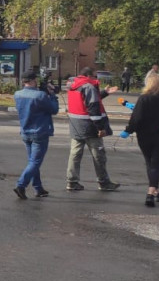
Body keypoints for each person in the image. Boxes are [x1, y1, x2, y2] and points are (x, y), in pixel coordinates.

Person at [120, 73, 159, 206]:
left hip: (144, 135)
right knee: (156, 164)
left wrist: (128, 130)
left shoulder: (143, 98)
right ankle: (155, 190)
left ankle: (150, 192)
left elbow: (137, 118)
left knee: (150, 162)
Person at [65, 67, 120, 192]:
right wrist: (100, 128)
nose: (96, 79)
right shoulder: (88, 87)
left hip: (76, 126)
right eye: (95, 76)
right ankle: (103, 182)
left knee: (75, 155)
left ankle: (72, 182)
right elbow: (93, 108)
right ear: (89, 76)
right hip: (90, 127)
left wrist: (104, 93)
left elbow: (85, 100)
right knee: (98, 155)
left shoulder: (74, 85)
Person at [12, 70, 60, 199]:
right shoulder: (40, 95)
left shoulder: (17, 94)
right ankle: (21, 185)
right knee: (35, 162)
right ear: (34, 80)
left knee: (32, 162)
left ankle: (38, 188)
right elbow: (54, 110)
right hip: (39, 132)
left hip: (25, 131)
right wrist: (52, 95)